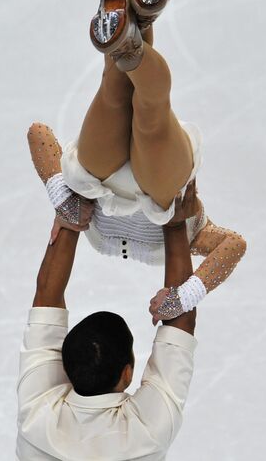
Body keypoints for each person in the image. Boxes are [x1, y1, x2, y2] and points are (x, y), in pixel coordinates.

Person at [27, 0, 246, 321]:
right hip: (162, 187)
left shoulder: (87, 218)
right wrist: (184, 296)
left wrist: (62, 195)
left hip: (102, 176)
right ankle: (134, 28)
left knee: (115, 93)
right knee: (151, 113)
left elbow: (38, 134)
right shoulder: (189, 230)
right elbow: (234, 245)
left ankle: (129, 35)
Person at [16, 184, 199, 461]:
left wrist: (72, 211)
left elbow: (46, 294)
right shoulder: (146, 431)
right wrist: (174, 227)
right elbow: (180, 326)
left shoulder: (36, 417)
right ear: (127, 374)